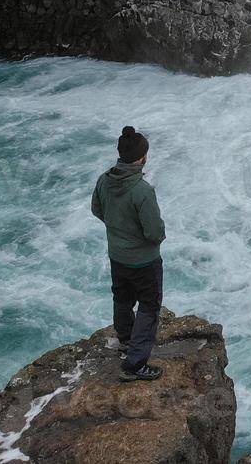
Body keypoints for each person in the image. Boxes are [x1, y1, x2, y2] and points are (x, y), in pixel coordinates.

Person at [90, 125, 166, 382]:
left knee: (122, 298)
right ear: (142, 157)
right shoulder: (142, 191)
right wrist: (149, 239)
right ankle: (135, 365)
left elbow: (97, 210)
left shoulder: (104, 179)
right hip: (144, 261)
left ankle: (124, 340)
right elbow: (154, 231)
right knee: (148, 306)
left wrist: (119, 231)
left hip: (118, 256)